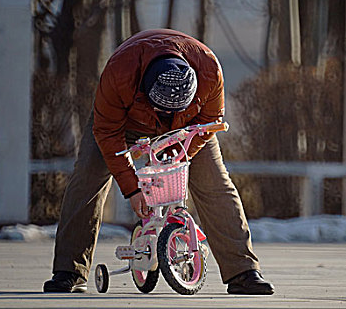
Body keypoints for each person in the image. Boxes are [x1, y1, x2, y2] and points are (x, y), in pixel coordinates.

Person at [43, 29, 274, 295]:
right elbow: (107, 132)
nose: (166, 115)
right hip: (123, 124)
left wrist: (178, 158)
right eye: (162, 108)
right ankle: (69, 271)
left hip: (187, 129)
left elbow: (209, 124)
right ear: (145, 87)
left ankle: (243, 272)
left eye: (174, 108)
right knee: (88, 176)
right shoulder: (120, 74)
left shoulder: (209, 71)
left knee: (215, 182)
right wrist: (131, 189)